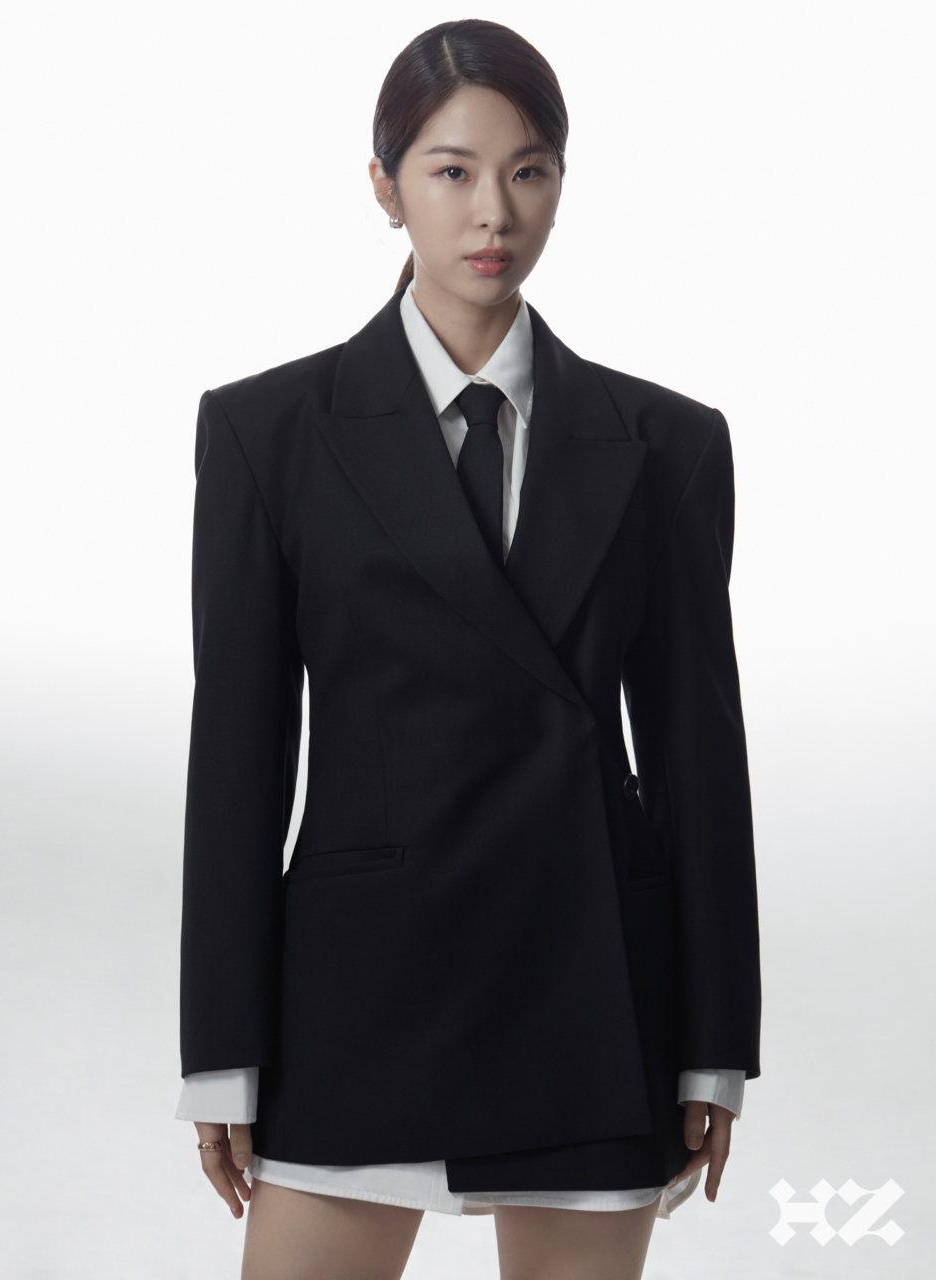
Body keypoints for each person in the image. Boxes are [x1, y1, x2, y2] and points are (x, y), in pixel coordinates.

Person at [174, 19, 761, 1280]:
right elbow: (236, 760)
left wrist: (714, 1043)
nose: (493, 211)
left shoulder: (666, 445)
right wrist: (220, 1047)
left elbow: (697, 757)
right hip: (359, 993)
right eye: (450, 171)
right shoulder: (268, 432)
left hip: (589, 988)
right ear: (383, 187)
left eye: (528, 170)